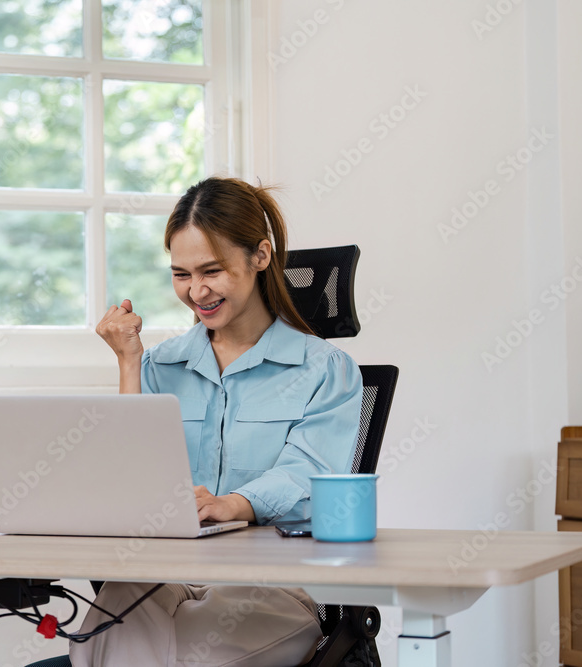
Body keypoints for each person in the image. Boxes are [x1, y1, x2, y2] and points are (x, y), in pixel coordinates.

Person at [69, 176, 363, 667]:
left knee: (175, 657)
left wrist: (235, 504)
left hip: (270, 585)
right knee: (105, 633)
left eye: (212, 270)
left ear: (261, 256)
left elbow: (312, 477)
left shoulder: (325, 370)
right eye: (180, 274)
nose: (196, 291)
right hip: (162, 573)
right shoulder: (158, 366)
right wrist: (127, 363)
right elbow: (127, 481)